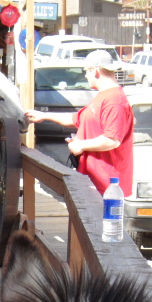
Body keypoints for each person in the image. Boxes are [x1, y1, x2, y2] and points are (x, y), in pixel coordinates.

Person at [24, 49, 134, 196]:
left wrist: (80, 145)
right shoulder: (103, 96)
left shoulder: (114, 100)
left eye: (86, 71)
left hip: (107, 186)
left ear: (95, 70)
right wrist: (44, 116)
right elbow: (75, 119)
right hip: (94, 182)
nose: (86, 75)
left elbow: (112, 140)